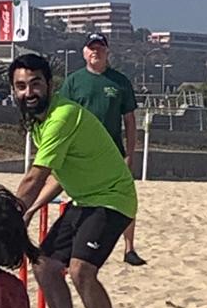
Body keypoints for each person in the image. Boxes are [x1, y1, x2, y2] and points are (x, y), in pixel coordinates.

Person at [10, 52, 137, 308]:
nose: (29, 92)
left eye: (35, 83)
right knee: (44, 265)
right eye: (21, 86)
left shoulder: (62, 115)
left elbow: (36, 175)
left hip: (112, 198)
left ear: (49, 84)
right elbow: (57, 175)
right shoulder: (37, 121)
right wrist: (33, 208)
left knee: (81, 271)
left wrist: (8, 213)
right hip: (84, 200)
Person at [59, 32, 145, 266]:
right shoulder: (73, 82)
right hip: (80, 153)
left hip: (113, 152)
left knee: (126, 198)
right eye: (91, 48)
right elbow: (62, 117)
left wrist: (130, 153)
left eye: (100, 48)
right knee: (80, 198)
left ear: (107, 52)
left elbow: (129, 120)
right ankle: (76, 243)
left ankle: (129, 248)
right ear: (84, 52)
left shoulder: (119, 82)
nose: (96, 52)